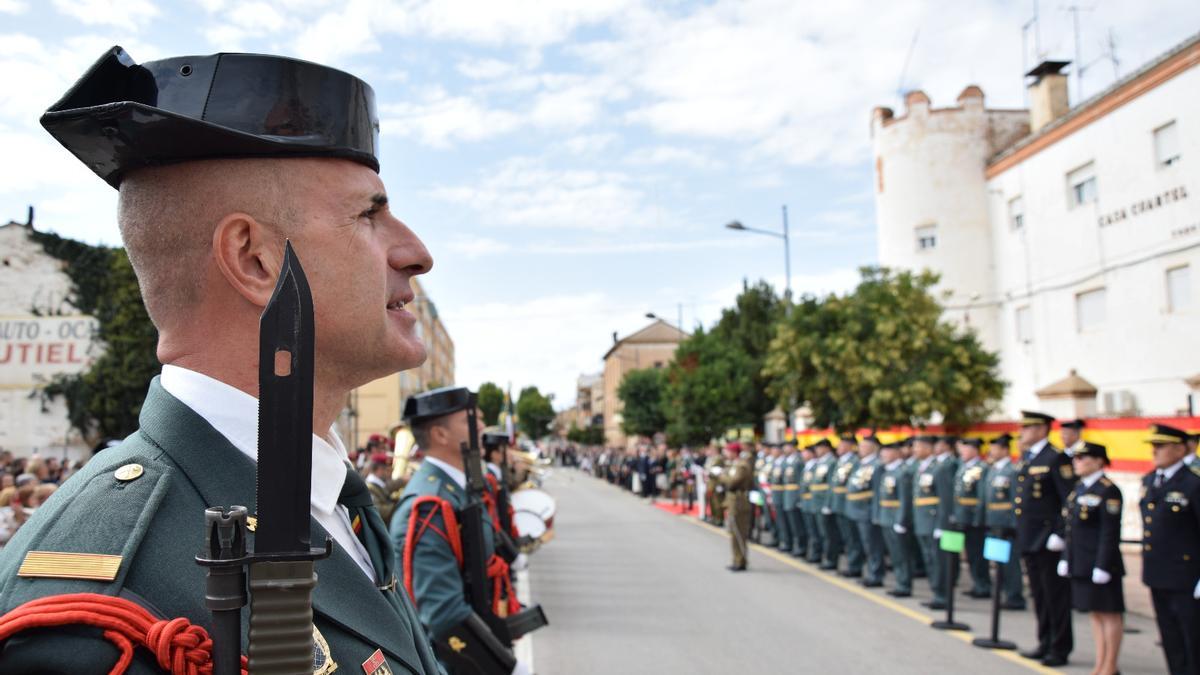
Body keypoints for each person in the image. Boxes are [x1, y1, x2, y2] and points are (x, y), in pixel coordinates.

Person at [0, 46, 442, 674]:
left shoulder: (332, 498)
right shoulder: (103, 607)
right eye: (369, 215)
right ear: (255, 259)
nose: (417, 253)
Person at [390, 387, 530, 672]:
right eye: (470, 419)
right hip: (456, 662)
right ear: (441, 435)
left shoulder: (457, 490)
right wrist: (505, 666)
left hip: (480, 637)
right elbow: (443, 615)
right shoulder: (430, 504)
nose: (481, 425)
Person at [1016, 410, 1076, 667]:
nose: (1022, 432)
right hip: (1029, 538)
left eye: (1028, 428)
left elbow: (1069, 500)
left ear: (1041, 429)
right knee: (1039, 595)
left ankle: (1059, 647)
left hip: (1047, 539)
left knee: (1055, 596)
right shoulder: (1028, 458)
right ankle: (1044, 641)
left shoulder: (1056, 458)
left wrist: (1060, 534)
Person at [1058, 441, 1123, 675]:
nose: (1076, 462)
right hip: (1082, 561)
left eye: (1082, 458)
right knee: (1095, 614)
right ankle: (1100, 664)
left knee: (1109, 614)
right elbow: (1070, 528)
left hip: (1101, 563)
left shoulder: (1108, 490)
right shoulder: (1080, 489)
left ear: (1098, 461)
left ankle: (1110, 665)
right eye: (1075, 458)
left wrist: (1103, 565)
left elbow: (1109, 532)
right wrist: (1066, 557)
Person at [1141, 423, 1200, 675]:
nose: (1155, 451)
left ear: (1179, 449)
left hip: (1186, 575)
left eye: (1160, 446)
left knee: (1193, 638)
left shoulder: (1193, 484)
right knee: (1169, 636)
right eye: (1153, 446)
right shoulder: (1150, 479)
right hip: (1158, 572)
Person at [982, 434, 1026, 610]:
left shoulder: (1012, 471)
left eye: (995, 448)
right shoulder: (993, 470)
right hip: (993, 521)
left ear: (1005, 450)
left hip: (1006, 523)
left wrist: (1014, 524)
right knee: (998, 561)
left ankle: (1015, 596)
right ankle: (1005, 592)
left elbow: (1016, 500)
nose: (991, 451)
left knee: (1010, 562)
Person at [912, 435, 949, 609]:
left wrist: (941, 525)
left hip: (934, 522)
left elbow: (945, 499)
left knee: (938, 561)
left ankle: (942, 595)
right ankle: (936, 592)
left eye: (918, 447)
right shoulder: (922, 467)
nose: (914, 450)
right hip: (923, 521)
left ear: (928, 448)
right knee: (929, 559)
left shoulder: (939, 469)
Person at [953, 437, 991, 599]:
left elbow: (982, 496)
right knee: (970, 553)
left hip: (974, 518)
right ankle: (977, 583)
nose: (962, 452)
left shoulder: (981, 468)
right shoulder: (963, 467)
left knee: (978, 554)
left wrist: (979, 518)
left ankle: (983, 585)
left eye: (965, 448)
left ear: (975, 450)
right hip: (962, 516)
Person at [846, 435, 885, 587]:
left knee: (872, 546)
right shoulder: (860, 464)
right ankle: (862, 570)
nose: (860, 449)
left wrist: (875, 514)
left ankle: (875, 574)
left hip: (866, 510)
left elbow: (876, 493)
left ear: (873, 448)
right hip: (855, 509)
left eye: (864, 446)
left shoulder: (877, 466)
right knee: (860, 543)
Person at [876, 441, 913, 597]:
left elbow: (905, 499)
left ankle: (904, 584)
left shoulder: (902, 472)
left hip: (896, 518)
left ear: (897, 453)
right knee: (894, 554)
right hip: (886, 517)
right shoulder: (888, 471)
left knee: (902, 554)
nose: (883, 455)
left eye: (887, 452)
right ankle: (899, 582)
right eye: (883, 452)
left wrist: (901, 520)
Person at [832, 433, 864, 577]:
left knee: (852, 537)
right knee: (847, 537)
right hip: (839, 503)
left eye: (842, 444)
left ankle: (855, 565)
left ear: (850, 446)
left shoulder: (855, 462)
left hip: (849, 503)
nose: (839, 447)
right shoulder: (841, 461)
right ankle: (852, 564)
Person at [719, 443, 754, 571]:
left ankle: (741, 560)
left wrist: (721, 476)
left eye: (728, 451)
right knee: (734, 532)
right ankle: (736, 559)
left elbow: (732, 482)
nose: (726, 454)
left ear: (734, 452)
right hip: (733, 500)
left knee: (739, 533)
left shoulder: (741, 466)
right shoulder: (733, 465)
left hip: (739, 501)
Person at [366, 451, 399, 525]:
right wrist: (398, 506)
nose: (390, 473)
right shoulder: (369, 487)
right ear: (379, 469)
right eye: (387, 470)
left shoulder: (378, 485)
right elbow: (377, 510)